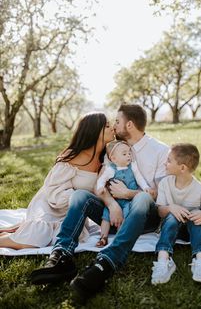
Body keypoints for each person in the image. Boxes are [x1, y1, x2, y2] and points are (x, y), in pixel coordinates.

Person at [31, 104, 169, 295]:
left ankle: (107, 262)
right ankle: (62, 255)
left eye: (117, 122)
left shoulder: (161, 151)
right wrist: (112, 204)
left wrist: (129, 194)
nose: (113, 126)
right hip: (110, 216)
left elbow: (163, 197)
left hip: (143, 215)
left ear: (129, 125)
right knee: (80, 195)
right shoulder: (111, 149)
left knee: (143, 198)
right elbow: (100, 184)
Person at [0, 112, 115, 255]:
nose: (113, 128)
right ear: (95, 131)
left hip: (72, 211)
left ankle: (14, 233)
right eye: (108, 126)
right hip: (52, 205)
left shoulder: (106, 157)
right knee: (35, 240)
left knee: (71, 234)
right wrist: (77, 197)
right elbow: (52, 190)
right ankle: (6, 239)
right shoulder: (73, 156)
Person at [151, 143, 201, 285]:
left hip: (191, 232)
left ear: (182, 168)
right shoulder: (165, 183)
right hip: (170, 228)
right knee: (173, 214)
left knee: (198, 214)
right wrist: (171, 208)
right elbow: (160, 211)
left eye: (169, 160)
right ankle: (163, 260)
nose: (165, 163)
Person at [95, 140, 153, 247]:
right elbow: (101, 179)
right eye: (124, 154)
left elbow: (139, 178)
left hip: (129, 201)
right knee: (106, 216)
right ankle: (103, 237)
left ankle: (120, 236)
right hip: (115, 200)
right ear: (113, 158)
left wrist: (145, 187)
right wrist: (100, 188)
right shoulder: (111, 169)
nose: (128, 156)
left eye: (129, 153)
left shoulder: (133, 166)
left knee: (127, 216)